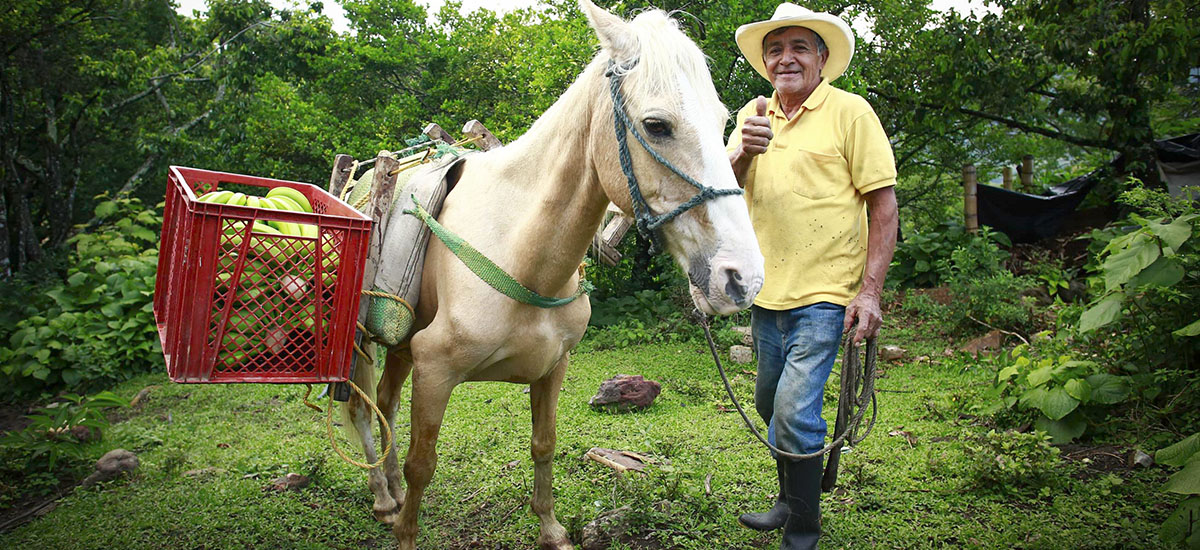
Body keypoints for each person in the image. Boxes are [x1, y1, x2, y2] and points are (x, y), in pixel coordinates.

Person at [725, 4, 898, 549]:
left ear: (822, 59)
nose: (786, 59)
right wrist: (742, 154)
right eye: (775, 49)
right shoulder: (752, 114)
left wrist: (869, 292)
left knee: (795, 408)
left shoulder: (851, 112)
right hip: (765, 289)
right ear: (765, 62)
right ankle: (792, 494)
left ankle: (803, 530)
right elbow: (722, 193)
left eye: (799, 47)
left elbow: (884, 206)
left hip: (827, 290)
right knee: (768, 402)